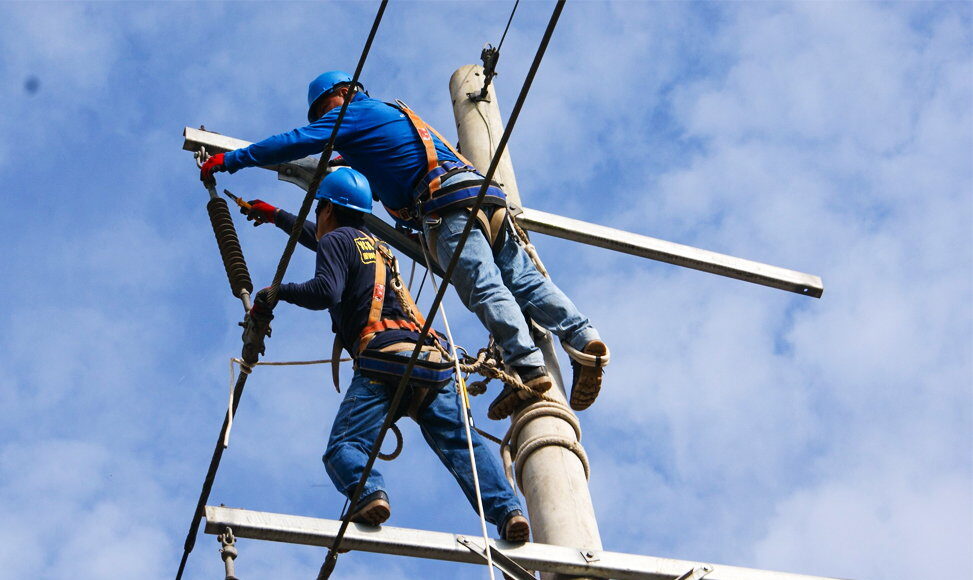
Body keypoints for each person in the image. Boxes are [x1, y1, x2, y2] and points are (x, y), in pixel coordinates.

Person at [201, 70, 610, 420]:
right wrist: (277, 214)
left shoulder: (351, 114)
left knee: (483, 286)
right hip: (484, 199)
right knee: (525, 281)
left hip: (447, 209)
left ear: (341, 95)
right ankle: (584, 339)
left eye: (324, 110)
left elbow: (295, 141)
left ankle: (526, 367)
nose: (326, 123)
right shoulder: (392, 118)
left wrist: (232, 160)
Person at [246, 167, 529, 541]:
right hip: (430, 361)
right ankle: (509, 513)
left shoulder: (336, 242)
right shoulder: (375, 246)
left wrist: (277, 291)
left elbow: (325, 291)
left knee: (344, 448)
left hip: (383, 359)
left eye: (319, 211)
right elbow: (323, 240)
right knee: (464, 444)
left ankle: (369, 494)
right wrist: (277, 216)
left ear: (328, 209)